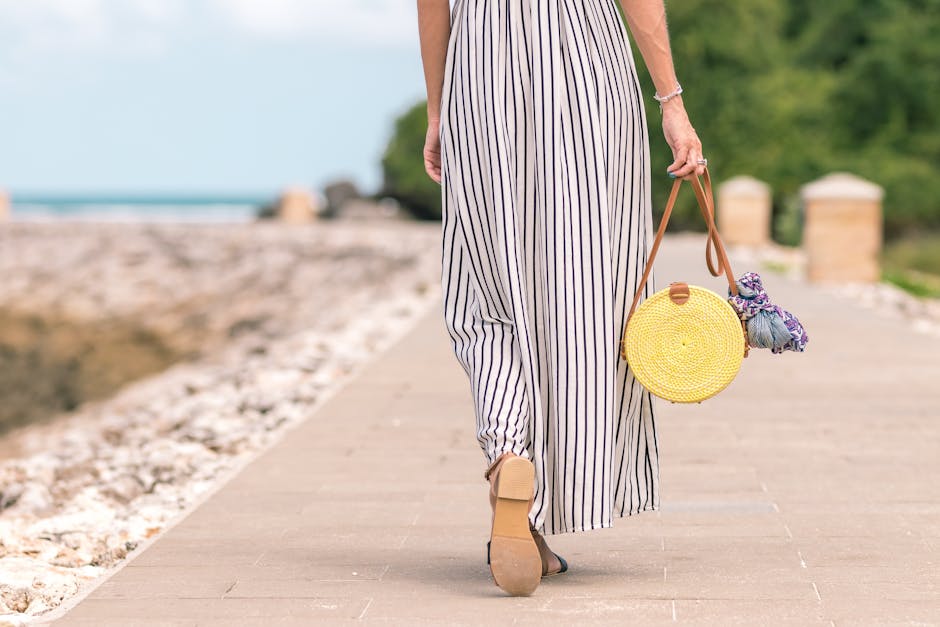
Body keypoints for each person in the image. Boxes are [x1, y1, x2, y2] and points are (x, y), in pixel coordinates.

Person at [416, 0, 707, 596]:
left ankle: (508, 454)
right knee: (586, 290)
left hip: (482, 72)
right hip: (587, 70)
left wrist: (439, 106)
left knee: (490, 289)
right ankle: (552, 494)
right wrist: (671, 103)